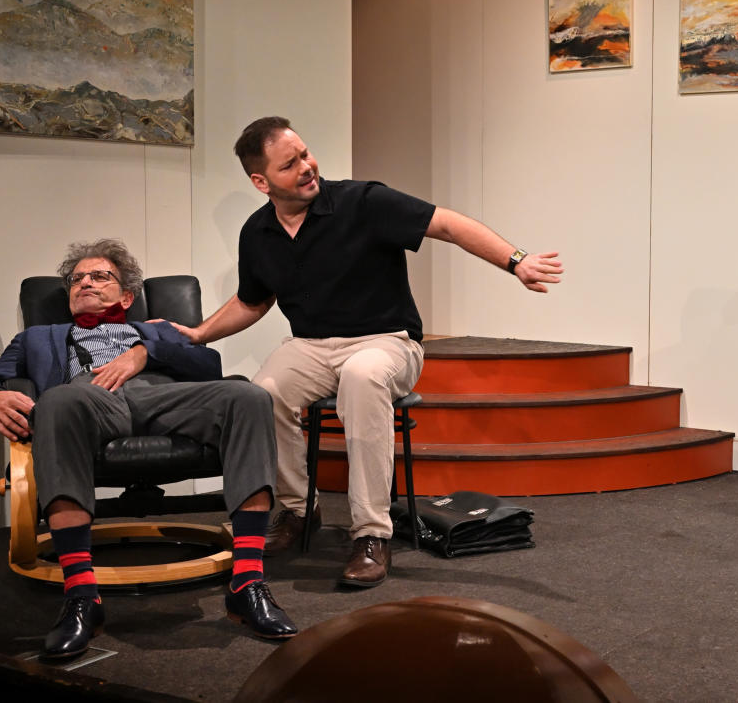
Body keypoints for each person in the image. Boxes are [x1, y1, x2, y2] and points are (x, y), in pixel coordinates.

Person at [166, 116, 563, 587]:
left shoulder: (365, 201)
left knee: (362, 375)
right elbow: (253, 301)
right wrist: (199, 334)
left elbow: (448, 225)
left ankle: (372, 533)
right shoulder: (257, 232)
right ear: (261, 181)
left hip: (387, 340)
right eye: (289, 165)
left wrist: (516, 261)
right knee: (263, 393)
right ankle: (298, 510)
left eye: (305, 154)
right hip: (311, 345)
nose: (307, 167)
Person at [0, 239, 297, 661]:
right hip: (88, 400)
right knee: (57, 400)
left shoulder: (158, 329)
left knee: (249, 396)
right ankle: (82, 596)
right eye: (77, 279)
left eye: (99, 276)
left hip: (166, 398)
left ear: (125, 296)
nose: (85, 282)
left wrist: (143, 352)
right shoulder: (37, 338)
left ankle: (247, 583)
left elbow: (208, 365)